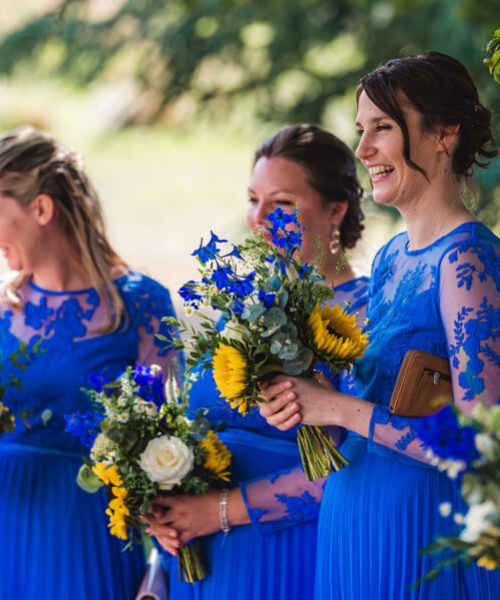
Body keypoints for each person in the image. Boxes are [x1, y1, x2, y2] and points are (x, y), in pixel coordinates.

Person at [259, 53, 500, 599]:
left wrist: (337, 408)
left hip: (419, 534)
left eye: (383, 129)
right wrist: (307, 399)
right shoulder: (391, 257)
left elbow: (481, 446)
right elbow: (376, 405)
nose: (363, 150)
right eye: (361, 130)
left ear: (444, 134)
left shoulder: (466, 261)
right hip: (353, 523)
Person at [144, 124, 369, 600]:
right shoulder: (235, 311)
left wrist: (220, 509)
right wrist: (161, 540)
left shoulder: (366, 312)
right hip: (199, 562)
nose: (259, 218)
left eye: (282, 202)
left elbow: (356, 466)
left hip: (290, 557)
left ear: (335, 210)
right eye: (253, 199)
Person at [0, 126, 180, 600]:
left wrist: (162, 565)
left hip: (89, 535)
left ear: (40, 209)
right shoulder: (3, 309)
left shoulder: (141, 304)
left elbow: (170, 453)